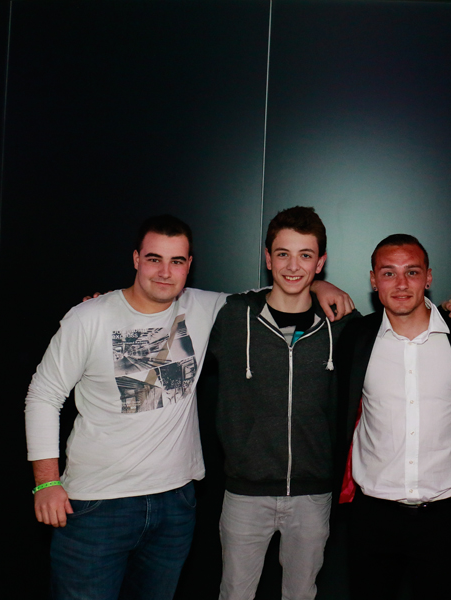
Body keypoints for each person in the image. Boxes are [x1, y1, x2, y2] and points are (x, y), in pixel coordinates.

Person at [24, 214, 354, 600]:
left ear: (189, 265)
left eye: (176, 261)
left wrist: (320, 285)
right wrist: (47, 482)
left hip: (175, 503)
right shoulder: (90, 317)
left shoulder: (208, 308)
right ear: (136, 259)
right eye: (154, 259)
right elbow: (43, 395)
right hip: (98, 504)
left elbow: (283, 289)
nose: (165, 272)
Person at [207, 207, 359, 600]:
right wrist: (108, 305)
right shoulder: (233, 316)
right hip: (245, 493)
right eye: (283, 254)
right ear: (267, 258)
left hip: (312, 494)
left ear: (320, 262)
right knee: (235, 595)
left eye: (305, 255)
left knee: (301, 595)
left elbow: (401, 323)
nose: (293, 266)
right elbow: (166, 304)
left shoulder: (341, 325)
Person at [335, 234, 451, 600]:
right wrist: (319, 284)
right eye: (388, 273)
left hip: (445, 518)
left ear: (428, 277)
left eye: (412, 272)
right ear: (373, 280)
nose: (401, 284)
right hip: (371, 517)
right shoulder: (355, 337)